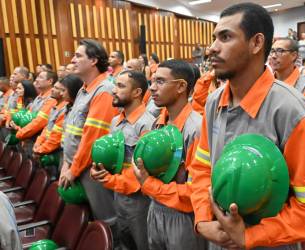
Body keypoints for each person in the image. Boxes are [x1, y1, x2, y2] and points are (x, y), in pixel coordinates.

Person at [190, 3, 305, 249]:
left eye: (225, 37)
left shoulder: (292, 110)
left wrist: (250, 236)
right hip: (219, 238)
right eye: (214, 38)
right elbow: (202, 167)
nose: (212, 48)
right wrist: (203, 218)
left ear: (256, 43)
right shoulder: (214, 101)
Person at [133, 59, 206, 250]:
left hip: (183, 218)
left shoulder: (196, 128)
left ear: (181, 86)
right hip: (155, 209)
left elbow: (195, 191)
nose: (152, 88)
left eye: (160, 82)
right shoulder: (158, 123)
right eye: (152, 82)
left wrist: (149, 184)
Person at [90, 70, 155, 250]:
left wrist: (108, 180)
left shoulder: (147, 124)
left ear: (137, 92)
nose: (114, 90)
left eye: (120, 86)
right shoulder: (115, 121)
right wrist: (98, 168)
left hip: (139, 202)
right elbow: (112, 159)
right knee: (126, 243)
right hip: (119, 197)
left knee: (143, 244)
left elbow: (142, 172)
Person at [58, 39, 118, 231]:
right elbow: (73, 132)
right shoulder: (84, 90)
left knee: (105, 222)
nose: (73, 60)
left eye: (78, 56)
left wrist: (73, 169)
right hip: (77, 165)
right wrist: (67, 162)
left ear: (93, 61)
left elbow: (92, 138)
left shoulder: (104, 91)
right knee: (89, 221)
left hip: (92, 168)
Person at [33, 75, 83, 179]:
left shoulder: (80, 110)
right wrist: (38, 144)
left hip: (74, 157)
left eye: (63, 90)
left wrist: (40, 150)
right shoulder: (67, 107)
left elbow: (57, 136)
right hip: (64, 154)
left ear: (73, 90)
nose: (61, 93)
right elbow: (48, 128)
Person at [269, 38, 305, 103]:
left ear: (293, 55)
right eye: (272, 51)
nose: (273, 56)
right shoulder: (267, 82)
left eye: (280, 51)